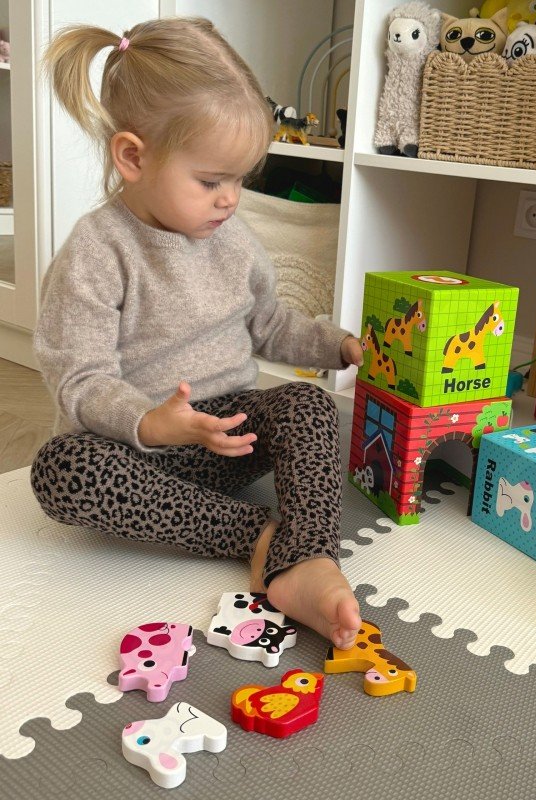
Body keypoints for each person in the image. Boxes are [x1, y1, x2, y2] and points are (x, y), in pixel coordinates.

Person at [30, 17, 363, 650]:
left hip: (231, 440)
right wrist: (153, 422)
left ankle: (309, 555)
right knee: (60, 470)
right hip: (140, 452)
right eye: (211, 181)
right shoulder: (99, 251)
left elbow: (270, 324)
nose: (231, 200)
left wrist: (338, 346)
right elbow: (78, 377)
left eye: (241, 180)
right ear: (133, 157)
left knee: (309, 405)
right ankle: (260, 538)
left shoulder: (232, 240)